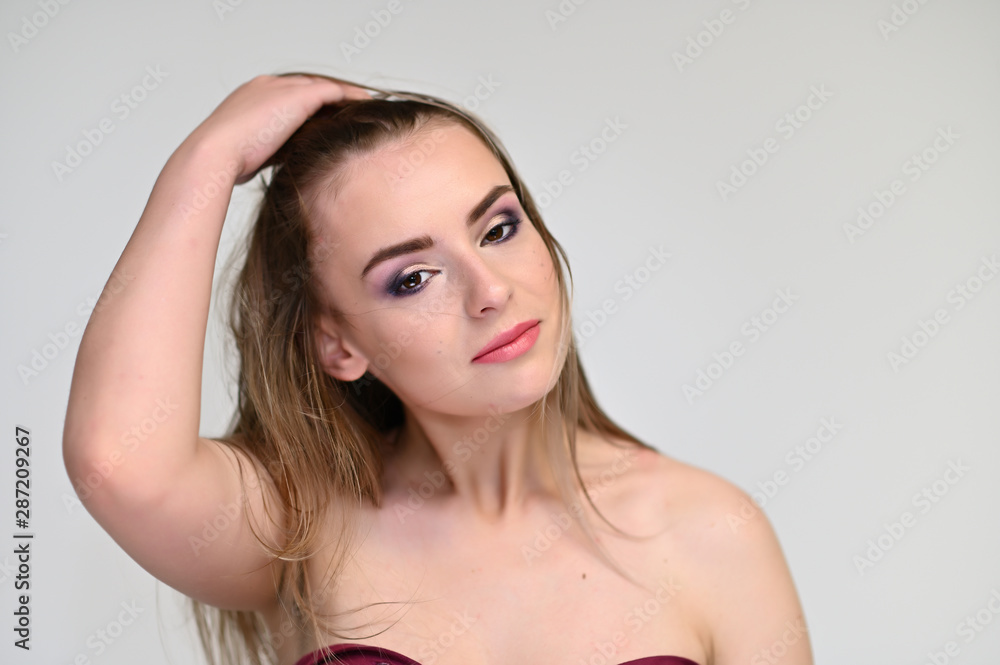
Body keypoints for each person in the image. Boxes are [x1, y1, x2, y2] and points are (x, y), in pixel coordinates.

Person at [62, 73, 814, 665]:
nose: (490, 291)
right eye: (413, 278)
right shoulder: (304, 528)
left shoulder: (712, 531)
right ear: (339, 345)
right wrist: (208, 160)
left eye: (498, 229)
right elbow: (117, 462)